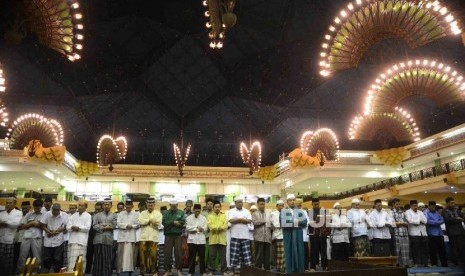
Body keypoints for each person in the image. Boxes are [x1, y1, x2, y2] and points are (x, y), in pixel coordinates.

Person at [282, 194, 307, 273]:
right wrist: (297, 222)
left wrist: (293, 222)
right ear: (287, 202)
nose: (292, 202)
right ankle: (290, 272)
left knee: (300, 253)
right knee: (289, 253)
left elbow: (305, 222)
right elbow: (283, 223)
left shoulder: (300, 211)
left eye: (293, 200)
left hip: (298, 236)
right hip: (288, 236)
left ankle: (300, 272)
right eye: (290, 200)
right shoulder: (284, 212)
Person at [228, 196, 253, 275]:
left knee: (246, 254)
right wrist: (241, 220)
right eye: (238, 202)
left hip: (245, 235)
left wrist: (237, 220)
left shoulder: (247, 211)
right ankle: (234, 270)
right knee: (234, 254)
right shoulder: (231, 211)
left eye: (241, 202)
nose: (240, 203)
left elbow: (249, 221)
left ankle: (247, 270)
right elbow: (231, 220)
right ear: (235, 203)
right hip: (235, 235)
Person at [40, 203, 68, 273]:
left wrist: (57, 231)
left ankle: (57, 273)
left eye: (57, 210)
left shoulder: (64, 215)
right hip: (48, 239)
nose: (55, 212)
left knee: (57, 259)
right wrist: (49, 231)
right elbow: (42, 225)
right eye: (54, 210)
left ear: (59, 210)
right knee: (47, 258)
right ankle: (46, 272)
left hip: (59, 240)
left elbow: (66, 227)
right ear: (51, 209)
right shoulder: (47, 214)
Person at [17, 199, 43, 272]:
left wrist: (30, 224)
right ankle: (21, 271)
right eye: (35, 208)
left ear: (41, 207)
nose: (36, 209)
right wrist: (32, 223)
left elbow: (42, 226)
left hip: (37, 237)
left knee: (37, 256)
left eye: (38, 208)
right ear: (33, 207)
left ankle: (36, 271)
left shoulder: (45, 214)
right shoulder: (29, 214)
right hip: (26, 237)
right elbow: (22, 226)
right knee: (22, 255)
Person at [92, 200, 117, 276]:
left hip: (108, 239)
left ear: (111, 206)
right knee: (98, 258)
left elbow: (114, 225)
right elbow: (94, 225)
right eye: (105, 204)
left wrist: (103, 225)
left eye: (108, 204)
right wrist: (105, 227)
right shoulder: (97, 215)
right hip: (98, 239)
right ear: (103, 206)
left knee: (108, 258)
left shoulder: (114, 215)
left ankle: (107, 273)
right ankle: (97, 273)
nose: (106, 206)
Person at [138, 198, 162, 274]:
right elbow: (140, 221)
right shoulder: (142, 213)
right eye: (148, 205)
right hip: (143, 237)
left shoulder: (158, 214)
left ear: (154, 205)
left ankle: (153, 271)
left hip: (153, 237)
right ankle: (143, 272)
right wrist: (149, 221)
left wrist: (147, 222)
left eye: (151, 205)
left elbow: (158, 224)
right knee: (142, 255)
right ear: (146, 205)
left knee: (153, 255)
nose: (150, 207)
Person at [67, 200, 92, 272]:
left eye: (82, 206)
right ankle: (71, 273)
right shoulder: (73, 215)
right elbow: (68, 227)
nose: (80, 207)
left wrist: (78, 228)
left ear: (86, 207)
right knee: (71, 261)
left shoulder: (88, 216)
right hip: (72, 240)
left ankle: (81, 273)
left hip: (82, 241)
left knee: (81, 260)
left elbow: (87, 228)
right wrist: (72, 227)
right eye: (79, 205)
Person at [116, 199, 139, 275]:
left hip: (131, 237)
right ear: (125, 206)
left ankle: (130, 272)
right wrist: (126, 226)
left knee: (131, 256)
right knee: (120, 255)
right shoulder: (121, 214)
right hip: (122, 237)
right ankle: (119, 271)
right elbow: (118, 224)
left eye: (130, 206)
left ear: (132, 206)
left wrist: (132, 226)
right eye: (127, 206)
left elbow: (138, 224)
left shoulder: (136, 214)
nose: (128, 207)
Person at [163, 199, 186, 276]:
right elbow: (164, 222)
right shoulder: (165, 212)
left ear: (177, 205)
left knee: (178, 253)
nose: (174, 207)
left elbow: (183, 222)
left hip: (177, 235)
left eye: (175, 206)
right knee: (167, 253)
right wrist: (173, 222)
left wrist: (175, 223)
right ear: (170, 205)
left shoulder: (181, 212)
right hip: (168, 235)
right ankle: (167, 270)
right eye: (172, 206)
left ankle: (178, 270)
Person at [0, 197, 23, 274]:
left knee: (8, 261)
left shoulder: (18, 213)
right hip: (1, 239)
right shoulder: (1, 213)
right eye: (7, 203)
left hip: (10, 239)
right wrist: (9, 223)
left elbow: (16, 224)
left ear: (15, 204)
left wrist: (4, 223)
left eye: (10, 203)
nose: (8, 204)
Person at [443, 197, 465, 273]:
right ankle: (455, 262)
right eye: (451, 203)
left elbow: (463, 216)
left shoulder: (457, 210)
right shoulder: (445, 211)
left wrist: (459, 218)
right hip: (452, 232)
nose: (453, 204)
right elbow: (448, 220)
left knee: (462, 247)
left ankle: (462, 261)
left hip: (460, 232)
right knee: (454, 248)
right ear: (447, 203)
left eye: (453, 202)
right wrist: (458, 219)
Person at [207, 200, 228, 275]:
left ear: (220, 208)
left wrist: (218, 228)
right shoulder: (209, 216)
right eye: (216, 207)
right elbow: (210, 226)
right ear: (213, 208)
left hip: (222, 239)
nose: (217, 208)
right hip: (213, 240)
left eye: (218, 207)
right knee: (212, 256)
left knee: (223, 257)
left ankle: (224, 271)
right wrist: (219, 228)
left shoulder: (224, 215)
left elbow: (225, 226)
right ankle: (211, 271)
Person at [308, 197, 329, 271]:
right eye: (315, 204)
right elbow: (309, 223)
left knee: (323, 251)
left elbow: (328, 222)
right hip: (314, 236)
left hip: (322, 235)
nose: (316, 206)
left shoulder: (324, 211)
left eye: (317, 204)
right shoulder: (310, 212)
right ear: (312, 204)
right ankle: (313, 267)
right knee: (314, 252)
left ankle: (325, 266)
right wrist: (315, 221)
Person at [186, 204, 208, 276]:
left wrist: (201, 229)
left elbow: (206, 228)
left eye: (199, 211)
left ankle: (203, 271)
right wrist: (197, 228)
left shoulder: (203, 218)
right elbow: (187, 227)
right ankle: (190, 272)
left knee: (202, 257)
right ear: (193, 210)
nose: (197, 212)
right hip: (192, 240)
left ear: (200, 211)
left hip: (201, 240)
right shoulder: (188, 218)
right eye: (196, 211)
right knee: (192, 257)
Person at [405, 200, 428, 267]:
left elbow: (425, 221)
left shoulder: (420, 212)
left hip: (423, 233)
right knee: (415, 249)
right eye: (414, 206)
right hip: (413, 233)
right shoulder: (408, 212)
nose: (416, 207)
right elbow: (410, 220)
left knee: (425, 248)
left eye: (416, 206)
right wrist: (419, 221)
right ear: (411, 206)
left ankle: (425, 263)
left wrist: (418, 221)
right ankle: (416, 263)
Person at [252, 198, 272, 271]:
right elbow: (255, 223)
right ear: (257, 205)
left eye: (263, 204)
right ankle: (258, 271)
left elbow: (271, 223)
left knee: (267, 256)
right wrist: (264, 221)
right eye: (260, 204)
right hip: (258, 238)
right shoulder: (254, 213)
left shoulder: (269, 213)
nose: (262, 206)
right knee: (258, 256)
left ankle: (267, 270)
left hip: (267, 237)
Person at [426, 201, 447, 267]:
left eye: (434, 207)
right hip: (431, 233)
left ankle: (444, 264)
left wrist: (435, 222)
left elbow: (443, 220)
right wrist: (437, 222)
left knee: (442, 250)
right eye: (432, 207)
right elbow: (428, 221)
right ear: (429, 206)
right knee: (433, 250)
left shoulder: (437, 213)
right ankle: (434, 263)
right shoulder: (426, 213)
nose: (434, 208)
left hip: (439, 233)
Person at [391, 198, 410, 267]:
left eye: (399, 204)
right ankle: (397, 264)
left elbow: (407, 223)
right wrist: (402, 223)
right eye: (397, 204)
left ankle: (406, 264)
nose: (398, 205)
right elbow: (392, 223)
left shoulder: (403, 213)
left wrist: (399, 223)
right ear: (393, 204)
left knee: (406, 250)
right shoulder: (391, 213)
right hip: (396, 234)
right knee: (397, 251)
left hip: (405, 233)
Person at [86, 201, 103, 274]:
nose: (97, 211)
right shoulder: (90, 216)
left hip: (100, 239)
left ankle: (97, 271)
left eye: (99, 210)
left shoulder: (103, 217)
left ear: (102, 209)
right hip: (90, 239)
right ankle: (88, 271)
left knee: (98, 257)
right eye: (96, 209)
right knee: (89, 256)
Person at [14, 201, 31, 272]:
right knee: (16, 256)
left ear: (29, 208)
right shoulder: (18, 214)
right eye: (23, 208)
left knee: (26, 257)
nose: (24, 210)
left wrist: (22, 226)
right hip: (16, 239)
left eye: (26, 208)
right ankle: (17, 270)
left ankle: (25, 271)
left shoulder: (31, 215)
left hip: (26, 239)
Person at [270, 200, 285, 272]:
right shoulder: (273, 214)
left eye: (282, 205)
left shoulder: (285, 213)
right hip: (278, 236)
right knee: (280, 253)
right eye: (280, 205)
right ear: (276, 206)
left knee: (284, 253)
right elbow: (276, 225)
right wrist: (285, 225)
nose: (281, 207)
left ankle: (283, 267)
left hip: (285, 235)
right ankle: (279, 267)